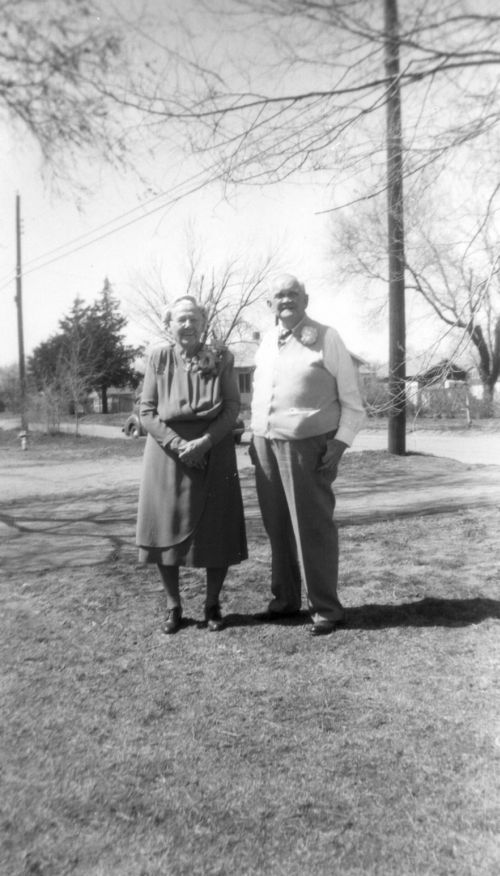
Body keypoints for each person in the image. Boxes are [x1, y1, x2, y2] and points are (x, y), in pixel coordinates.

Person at [250, 274, 365, 635]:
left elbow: (353, 404)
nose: (286, 300)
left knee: (312, 528)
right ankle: (285, 601)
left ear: (306, 299)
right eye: (278, 296)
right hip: (265, 444)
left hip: (308, 446)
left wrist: (340, 442)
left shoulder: (327, 338)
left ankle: (327, 609)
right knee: (278, 527)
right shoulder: (267, 340)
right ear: (270, 305)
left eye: (293, 294)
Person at [136, 296, 247, 634]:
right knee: (164, 528)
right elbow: (146, 411)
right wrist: (179, 445)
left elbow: (231, 407)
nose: (187, 325)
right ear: (170, 324)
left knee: (217, 529)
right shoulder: (158, 357)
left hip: (214, 450)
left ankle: (212, 604)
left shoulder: (222, 357)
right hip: (166, 453)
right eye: (180, 319)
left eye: (193, 319)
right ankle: (173, 607)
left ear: (203, 322)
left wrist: (204, 443)